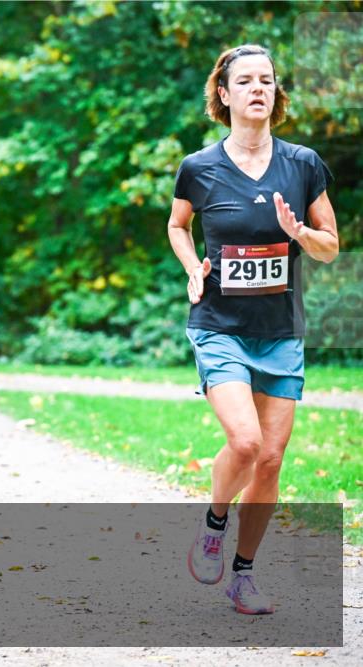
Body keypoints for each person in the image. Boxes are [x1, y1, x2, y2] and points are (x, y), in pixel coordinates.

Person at [167, 44, 338, 615]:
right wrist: (194, 269)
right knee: (245, 442)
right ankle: (214, 522)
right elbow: (177, 225)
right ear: (225, 93)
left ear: (275, 92)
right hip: (219, 325)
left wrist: (300, 235)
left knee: (270, 460)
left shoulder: (303, 163)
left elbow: (331, 246)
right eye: (245, 80)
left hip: (281, 331)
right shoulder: (199, 167)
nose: (258, 88)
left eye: (266, 79)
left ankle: (243, 574)